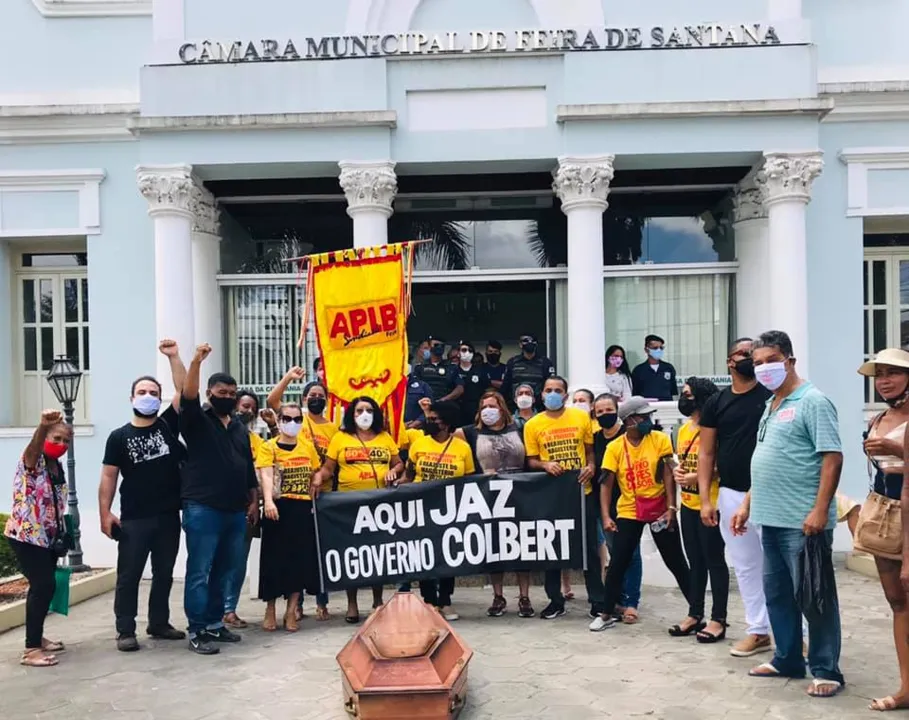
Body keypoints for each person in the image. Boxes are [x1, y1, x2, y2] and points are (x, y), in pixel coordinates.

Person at [734, 330, 844, 698]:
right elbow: (764, 461)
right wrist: (748, 504)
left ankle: (826, 668)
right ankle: (787, 658)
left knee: (814, 595)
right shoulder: (772, 405)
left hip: (803, 522)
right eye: (759, 363)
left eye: (771, 361)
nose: (764, 369)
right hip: (771, 518)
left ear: (790, 361)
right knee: (778, 594)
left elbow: (832, 456)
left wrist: (820, 509)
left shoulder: (813, 400)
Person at [99, 340, 187, 652]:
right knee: (129, 576)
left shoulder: (166, 426)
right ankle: (125, 629)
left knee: (163, 573)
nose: (148, 397)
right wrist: (105, 513)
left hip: (167, 516)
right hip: (134, 518)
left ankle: (159, 623)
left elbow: (183, 390)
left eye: (153, 392)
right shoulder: (118, 437)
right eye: (142, 392)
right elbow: (109, 476)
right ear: (131, 398)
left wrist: (174, 356)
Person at [175, 343, 259, 655]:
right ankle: (197, 629)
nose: (228, 397)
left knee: (225, 569)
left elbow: (247, 465)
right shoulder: (196, 420)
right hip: (203, 507)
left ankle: (214, 623)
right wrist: (195, 360)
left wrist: (253, 500)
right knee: (200, 570)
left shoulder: (238, 426)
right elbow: (187, 395)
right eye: (221, 392)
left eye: (232, 393)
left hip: (235, 510)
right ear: (210, 393)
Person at [697, 337, 773, 658]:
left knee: (782, 564)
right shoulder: (717, 401)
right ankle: (758, 630)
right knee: (745, 565)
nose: (748, 360)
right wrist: (705, 499)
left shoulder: (770, 396)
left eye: (752, 355)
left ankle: (797, 632)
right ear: (730, 361)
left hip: (771, 493)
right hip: (730, 493)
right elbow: (706, 451)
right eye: (743, 355)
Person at [597, 397, 693, 631]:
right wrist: (607, 517)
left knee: (677, 562)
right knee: (619, 561)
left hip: (659, 507)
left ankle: (697, 611)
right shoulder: (615, 447)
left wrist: (671, 507)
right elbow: (606, 484)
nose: (648, 420)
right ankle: (606, 613)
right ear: (630, 420)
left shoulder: (660, 439)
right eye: (643, 417)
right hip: (629, 509)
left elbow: (668, 474)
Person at [313, 397, 404, 623]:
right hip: (348, 504)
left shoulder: (384, 437)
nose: (364, 414)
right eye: (359, 410)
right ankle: (351, 604)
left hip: (380, 504)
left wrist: (395, 471)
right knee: (352, 554)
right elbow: (329, 468)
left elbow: (399, 462)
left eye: (369, 410)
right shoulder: (340, 438)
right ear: (351, 414)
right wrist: (317, 478)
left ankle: (377, 601)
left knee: (377, 553)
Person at [855, 349, 909, 711]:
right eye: (880, 374)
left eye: (893, 373)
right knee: (898, 602)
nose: (885, 380)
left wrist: (897, 449)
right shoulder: (879, 418)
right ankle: (907, 686)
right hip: (885, 511)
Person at [523, 376, 597, 621]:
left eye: (558, 390)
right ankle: (555, 601)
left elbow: (589, 450)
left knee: (589, 551)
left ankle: (597, 600)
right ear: (541, 394)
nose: (553, 393)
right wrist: (544, 464)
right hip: (552, 495)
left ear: (566, 395)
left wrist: (591, 466)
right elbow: (530, 460)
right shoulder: (532, 424)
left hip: (581, 492)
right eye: (548, 390)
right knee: (552, 549)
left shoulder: (581, 417)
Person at [4, 409, 71, 667]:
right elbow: (33, 450)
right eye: (56, 439)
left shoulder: (58, 467)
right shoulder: (33, 459)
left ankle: (37, 637)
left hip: (47, 538)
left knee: (45, 586)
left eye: (65, 441)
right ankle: (31, 649)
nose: (61, 445)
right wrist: (43, 426)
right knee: (43, 585)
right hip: (26, 535)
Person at [457, 390, 533, 618]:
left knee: (522, 547)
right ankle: (498, 596)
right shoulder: (469, 433)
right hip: (488, 498)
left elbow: (530, 458)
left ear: (503, 408)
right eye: (484, 407)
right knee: (494, 548)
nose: (489, 411)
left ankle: (524, 596)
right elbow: (460, 460)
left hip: (519, 495)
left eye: (493, 406)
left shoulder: (519, 429)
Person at [268, 376, 335, 619]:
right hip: (292, 496)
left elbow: (329, 463)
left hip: (322, 494)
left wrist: (319, 477)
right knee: (295, 551)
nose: (316, 399)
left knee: (317, 550)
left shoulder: (332, 427)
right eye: (312, 396)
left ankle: (322, 602)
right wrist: (287, 378)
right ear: (304, 399)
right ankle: (295, 605)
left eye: (321, 396)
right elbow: (272, 400)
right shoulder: (296, 419)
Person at [405, 401, 475, 620]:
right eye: (429, 418)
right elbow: (408, 475)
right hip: (422, 508)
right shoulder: (418, 444)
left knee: (449, 554)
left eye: (434, 419)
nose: (430, 422)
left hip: (450, 509)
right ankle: (429, 600)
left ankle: (445, 599)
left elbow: (469, 479)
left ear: (447, 423)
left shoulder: (462, 447)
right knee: (425, 553)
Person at [256, 401, 322, 632]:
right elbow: (266, 474)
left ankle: (291, 610)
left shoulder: (307, 447)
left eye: (296, 419)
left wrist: (317, 479)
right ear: (279, 420)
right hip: (278, 508)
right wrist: (269, 501)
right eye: (287, 419)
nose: (291, 423)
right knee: (273, 560)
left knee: (299, 561)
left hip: (302, 509)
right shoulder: (269, 446)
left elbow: (316, 471)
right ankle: (270, 609)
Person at [674, 377, 729, 643]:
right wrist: (681, 472)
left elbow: (723, 464)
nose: (684, 399)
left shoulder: (717, 426)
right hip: (687, 503)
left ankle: (719, 617)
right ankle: (695, 613)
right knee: (695, 561)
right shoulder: (684, 430)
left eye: (688, 394)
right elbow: (683, 459)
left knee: (714, 561)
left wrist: (698, 477)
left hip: (712, 502)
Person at [592, 393, 642, 624]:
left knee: (631, 554)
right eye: (599, 412)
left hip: (631, 505)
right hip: (605, 505)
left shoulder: (628, 435)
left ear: (617, 409)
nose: (605, 415)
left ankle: (632, 603)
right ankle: (619, 600)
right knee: (615, 554)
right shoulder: (594, 440)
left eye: (608, 410)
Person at [222, 388, 267, 630]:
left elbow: (259, 475)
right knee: (215, 561)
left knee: (238, 561)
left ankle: (229, 610)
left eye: (251, 407)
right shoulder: (217, 433)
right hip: (217, 507)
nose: (246, 410)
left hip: (246, 509)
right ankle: (211, 611)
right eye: (243, 405)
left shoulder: (257, 442)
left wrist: (255, 503)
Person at [502, 332, 556, 402]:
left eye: (533, 341)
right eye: (526, 341)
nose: (529, 343)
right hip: (516, 405)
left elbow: (550, 384)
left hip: (539, 405)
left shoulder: (545, 362)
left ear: (536, 344)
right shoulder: (512, 362)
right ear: (520, 345)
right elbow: (506, 385)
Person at [415, 336, 464, 403]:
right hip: (426, 405)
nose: (439, 347)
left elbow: (460, 389)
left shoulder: (452, 367)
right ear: (429, 347)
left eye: (442, 346)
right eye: (436, 345)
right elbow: (415, 388)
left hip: (446, 406)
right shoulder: (420, 367)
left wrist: (443, 400)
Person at [630, 334, 677, 401]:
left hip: (666, 407)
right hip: (646, 408)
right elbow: (635, 394)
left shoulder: (668, 368)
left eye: (661, 348)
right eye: (655, 348)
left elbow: (673, 392)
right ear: (646, 350)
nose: (659, 350)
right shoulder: (638, 370)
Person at [455, 341, 491, 427]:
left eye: (470, 351)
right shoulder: (452, 370)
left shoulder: (480, 370)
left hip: (475, 408)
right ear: (458, 353)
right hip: (456, 408)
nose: (467, 353)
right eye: (464, 350)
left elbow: (488, 388)